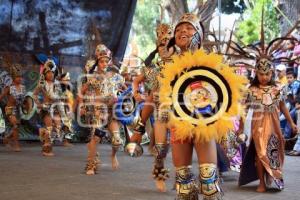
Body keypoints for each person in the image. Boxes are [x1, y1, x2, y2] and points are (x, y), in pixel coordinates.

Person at [239, 57, 297, 192]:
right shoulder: (251, 89)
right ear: (256, 73)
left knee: (274, 152)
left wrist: (292, 123)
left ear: (272, 73)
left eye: (267, 74)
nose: (264, 77)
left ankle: (270, 176)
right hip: (258, 126)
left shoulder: (277, 88)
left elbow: (283, 107)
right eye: (261, 74)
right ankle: (261, 183)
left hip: (275, 125)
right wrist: (241, 127)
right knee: (261, 153)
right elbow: (244, 110)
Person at [77, 44, 123, 175]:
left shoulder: (115, 77)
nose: (104, 64)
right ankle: (91, 165)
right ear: (98, 62)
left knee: (117, 140)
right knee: (96, 139)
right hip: (98, 112)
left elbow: (126, 89)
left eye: (106, 61)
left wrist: (127, 97)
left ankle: (113, 156)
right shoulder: (93, 77)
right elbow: (81, 92)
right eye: (101, 61)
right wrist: (81, 106)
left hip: (111, 113)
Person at [0, 65, 25, 152]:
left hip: (18, 110)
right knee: (15, 125)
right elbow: (1, 96)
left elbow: (23, 100)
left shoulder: (23, 87)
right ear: (13, 77)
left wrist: (25, 106)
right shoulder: (9, 87)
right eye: (18, 77)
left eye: (20, 76)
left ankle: (7, 137)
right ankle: (16, 145)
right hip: (9, 109)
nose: (20, 78)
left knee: (17, 126)